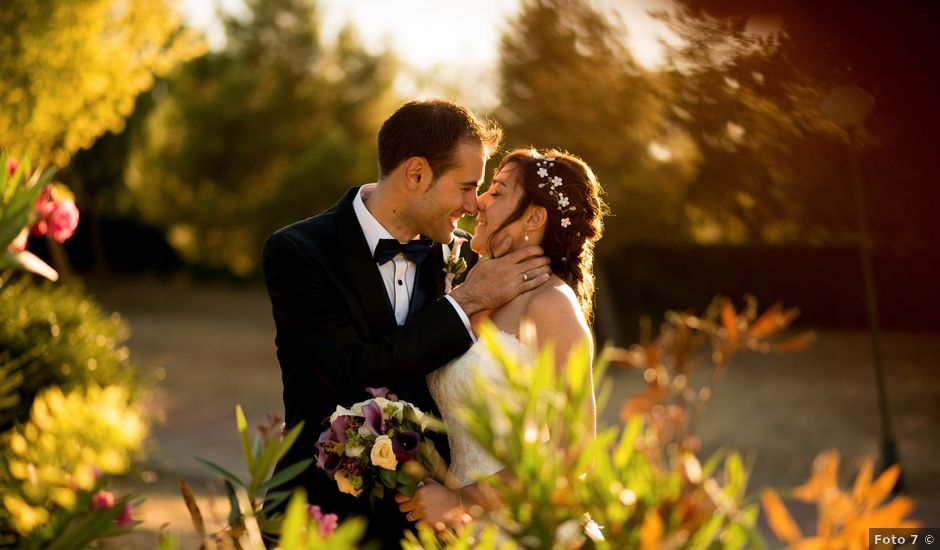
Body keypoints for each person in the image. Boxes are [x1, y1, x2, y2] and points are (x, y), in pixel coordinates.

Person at [261, 100, 551, 548]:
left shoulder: (467, 258)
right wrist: (466, 301)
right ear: (416, 175)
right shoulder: (299, 252)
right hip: (319, 517)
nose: (474, 204)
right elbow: (349, 371)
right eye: (466, 186)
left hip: (427, 528)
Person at [396, 147, 607, 528]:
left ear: (534, 217)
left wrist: (462, 500)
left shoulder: (552, 305)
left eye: (496, 191)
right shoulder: (469, 292)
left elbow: (573, 452)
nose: (478, 203)